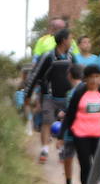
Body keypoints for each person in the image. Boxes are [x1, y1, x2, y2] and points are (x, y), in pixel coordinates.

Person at [61, 64, 100, 184]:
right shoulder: (79, 92)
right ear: (86, 78)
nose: (94, 80)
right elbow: (70, 113)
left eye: (97, 77)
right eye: (91, 77)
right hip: (81, 134)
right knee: (86, 166)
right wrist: (62, 135)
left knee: (99, 165)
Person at [27, 30, 77, 165]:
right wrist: (29, 93)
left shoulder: (72, 57)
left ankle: (61, 150)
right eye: (70, 38)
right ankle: (44, 150)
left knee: (64, 124)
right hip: (49, 96)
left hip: (67, 98)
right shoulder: (47, 56)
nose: (71, 41)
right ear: (64, 40)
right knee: (47, 122)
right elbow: (36, 74)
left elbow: (78, 75)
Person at [59, 64, 84, 184]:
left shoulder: (74, 92)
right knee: (82, 160)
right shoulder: (83, 90)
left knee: (69, 158)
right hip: (82, 131)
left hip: (73, 131)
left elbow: (70, 112)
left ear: (69, 75)